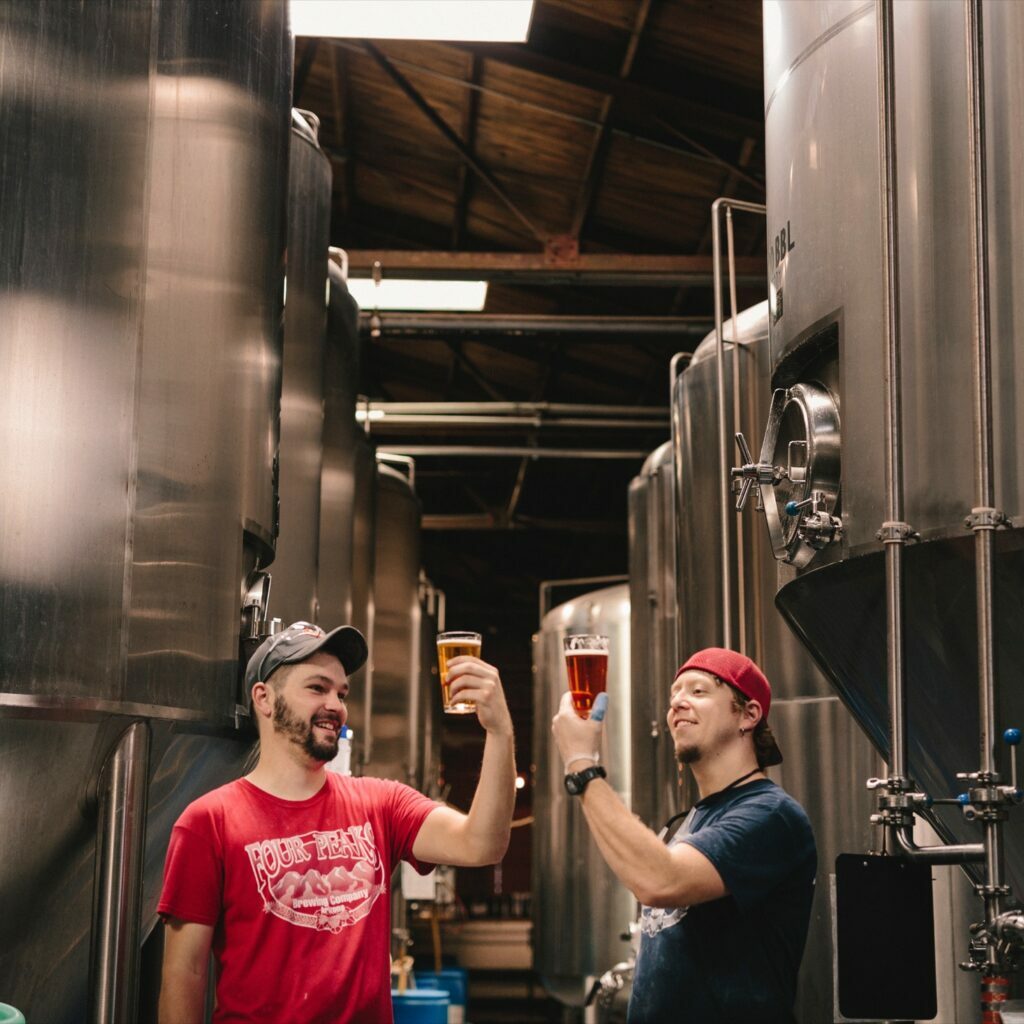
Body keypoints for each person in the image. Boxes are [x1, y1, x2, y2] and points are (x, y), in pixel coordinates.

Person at [158, 620, 515, 1024]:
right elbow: (183, 975)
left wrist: (499, 731)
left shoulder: (381, 803)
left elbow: (482, 843)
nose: (336, 705)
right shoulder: (208, 823)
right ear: (264, 698)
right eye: (317, 688)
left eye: (341, 692)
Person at [552, 646, 816, 1024]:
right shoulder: (692, 820)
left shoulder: (770, 815)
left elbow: (660, 881)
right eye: (674, 694)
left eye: (698, 691)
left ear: (749, 714)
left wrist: (582, 766)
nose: (677, 703)